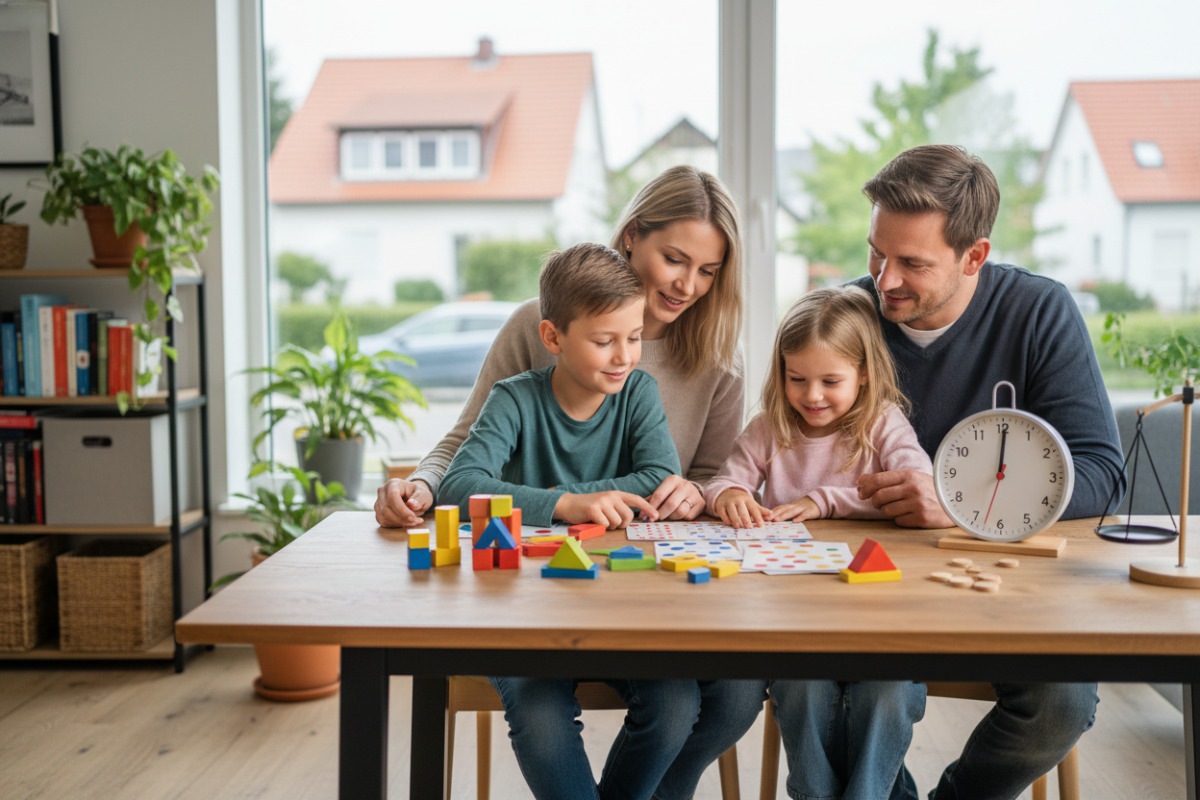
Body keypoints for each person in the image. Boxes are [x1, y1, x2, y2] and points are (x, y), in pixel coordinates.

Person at [376, 165, 766, 799]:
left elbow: (707, 475)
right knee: (544, 704)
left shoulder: (706, 357)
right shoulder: (541, 325)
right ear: (633, 235)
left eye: (708, 271)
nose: (687, 285)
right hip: (529, 583)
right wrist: (422, 485)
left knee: (730, 693)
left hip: (642, 582)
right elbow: (465, 447)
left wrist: (702, 490)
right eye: (674, 258)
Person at [851, 144, 1125, 800]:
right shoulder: (847, 315)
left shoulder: (1040, 312)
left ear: (975, 256)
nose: (884, 279)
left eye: (912, 263)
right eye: (875, 252)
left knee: (1061, 704)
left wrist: (958, 506)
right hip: (869, 585)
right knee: (862, 697)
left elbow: (1101, 472)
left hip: (1004, 586)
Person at [435, 243, 696, 800]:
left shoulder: (638, 394)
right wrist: (564, 506)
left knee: (677, 703)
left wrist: (548, 497)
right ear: (553, 337)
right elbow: (457, 488)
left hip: (622, 609)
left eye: (634, 337)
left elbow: (658, 477)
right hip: (519, 611)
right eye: (604, 341)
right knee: (539, 710)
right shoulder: (513, 400)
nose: (624, 356)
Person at [704, 285, 930, 800]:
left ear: (865, 374)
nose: (812, 396)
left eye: (831, 380)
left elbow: (919, 486)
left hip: (882, 623)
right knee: (798, 690)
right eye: (796, 379)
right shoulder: (771, 428)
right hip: (796, 625)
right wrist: (731, 495)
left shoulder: (882, 424)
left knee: (887, 695)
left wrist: (826, 500)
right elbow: (722, 481)